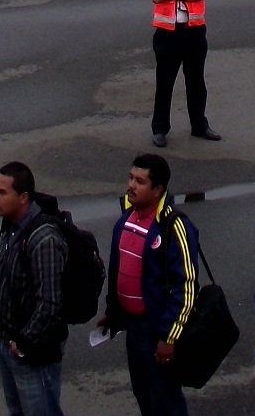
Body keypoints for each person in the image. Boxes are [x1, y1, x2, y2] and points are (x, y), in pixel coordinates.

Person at [99, 153, 201, 416]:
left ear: (157, 190)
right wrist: (113, 311)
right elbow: (118, 269)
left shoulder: (174, 226)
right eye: (131, 178)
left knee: (165, 401)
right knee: (143, 393)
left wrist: (169, 336)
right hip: (133, 328)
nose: (131, 185)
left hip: (156, 330)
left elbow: (186, 286)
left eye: (140, 181)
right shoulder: (126, 218)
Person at [0, 161, 68, 416]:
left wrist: (22, 342)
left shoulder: (43, 238)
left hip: (32, 352)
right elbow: (5, 274)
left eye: (2, 193)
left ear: (23, 197)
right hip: (8, 339)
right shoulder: (12, 225)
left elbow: (50, 303)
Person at [148, 0, 218, 146]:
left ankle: (199, 125)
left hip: (194, 32)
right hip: (168, 34)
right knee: (164, 82)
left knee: (196, 81)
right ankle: (160, 129)